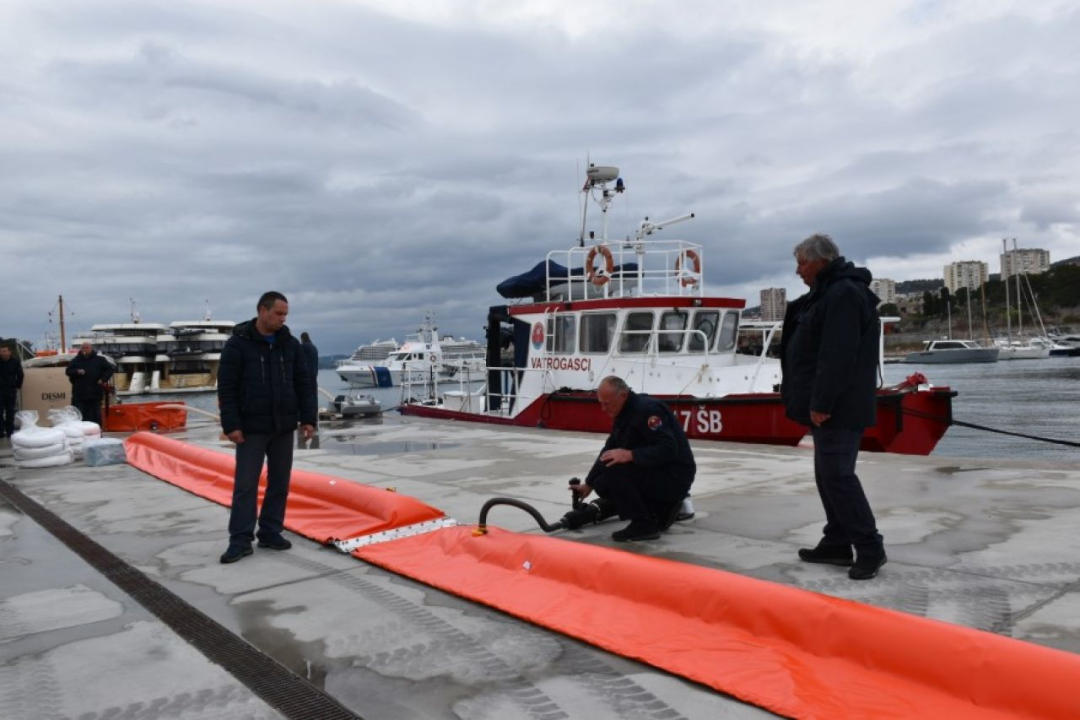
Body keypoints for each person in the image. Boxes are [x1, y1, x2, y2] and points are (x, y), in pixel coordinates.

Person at [780, 233, 887, 580]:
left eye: (802, 262)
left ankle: (870, 547)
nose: (798, 270)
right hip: (828, 405)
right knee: (827, 476)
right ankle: (838, 542)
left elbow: (837, 355)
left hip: (837, 407)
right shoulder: (826, 293)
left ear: (821, 261)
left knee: (838, 476)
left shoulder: (842, 294)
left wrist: (822, 402)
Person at [217, 291, 317, 564]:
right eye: (278, 313)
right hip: (251, 428)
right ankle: (240, 539)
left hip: (283, 426)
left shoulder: (290, 344)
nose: (283, 318)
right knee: (246, 485)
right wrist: (232, 425)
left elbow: (303, 383)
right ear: (262, 310)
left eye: (285, 314)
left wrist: (309, 419)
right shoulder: (238, 345)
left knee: (280, 483)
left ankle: (271, 531)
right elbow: (226, 388)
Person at [574, 375, 696, 542]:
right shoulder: (623, 412)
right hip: (658, 471)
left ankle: (643, 524)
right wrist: (588, 483)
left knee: (614, 468)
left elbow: (669, 448)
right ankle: (660, 509)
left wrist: (631, 455)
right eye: (601, 403)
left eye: (607, 403)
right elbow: (609, 449)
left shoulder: (647, 411)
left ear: (623, 396)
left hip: (675, 476)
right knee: (601, 483)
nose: (603, 409)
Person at [65, 341, 113, 427]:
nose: (85, 350)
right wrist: (77, 372)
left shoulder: (100, 360)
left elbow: (110, 369)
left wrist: (103, 379)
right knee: (79, 416)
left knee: (96, 416)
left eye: (87, 348)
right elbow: (68, 371)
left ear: (91, 349)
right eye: (83, 348)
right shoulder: (76, 360)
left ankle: (98, 431)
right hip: (79, 394)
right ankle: (80, 432)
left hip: (95, 393)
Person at [298, 331, 320, 449]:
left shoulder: (302, 347)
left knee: (305, 398)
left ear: (302, 339)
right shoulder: (314, 348)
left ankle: (303, 419)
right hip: (314, 376)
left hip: (305, 377)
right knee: (314, 398)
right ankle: (315, 417)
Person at [0, 344, 24, 439]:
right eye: (2, 351)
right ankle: (1, 433)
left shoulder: (15, 362)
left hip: (11, 389)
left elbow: (20, 375)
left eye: (5, 351)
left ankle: (10, 432)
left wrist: (18, 385)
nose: (3, 353)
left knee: (10, 412)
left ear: (9, 352)